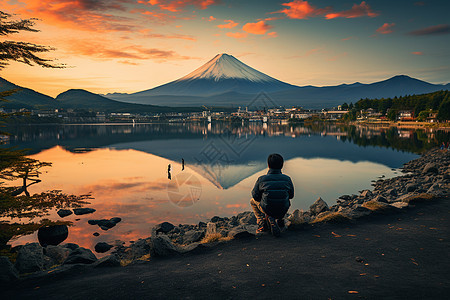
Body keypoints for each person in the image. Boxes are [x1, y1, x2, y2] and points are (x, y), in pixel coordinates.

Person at [250, 153, 294, 237]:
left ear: (268, 165)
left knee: (252, 201)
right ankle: (280, 219)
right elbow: (291, 195)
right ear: (282, 165)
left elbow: (255, 196)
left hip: (267, 209)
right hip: (282, 210)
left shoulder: (262, 179)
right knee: (285, 198)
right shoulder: (287, 179)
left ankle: (262, 223)